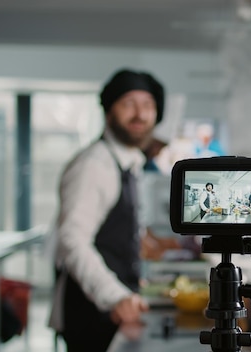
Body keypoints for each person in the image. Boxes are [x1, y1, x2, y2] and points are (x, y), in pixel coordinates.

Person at [48, 69, 170, 351]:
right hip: (92, 314)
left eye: (148, 106)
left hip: (115, 310)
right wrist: (114, 296)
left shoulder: (128, 162)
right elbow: (72, 240)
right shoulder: (94, 165)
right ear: (109, 111)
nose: (140, 114)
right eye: (129, 104)